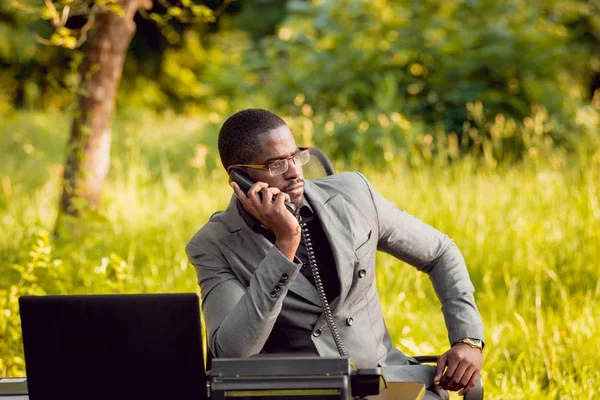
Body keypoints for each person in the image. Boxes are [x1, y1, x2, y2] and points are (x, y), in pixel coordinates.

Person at [186, 109, 484, 399]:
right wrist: (285, 245)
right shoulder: (214, 245)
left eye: (296, 157)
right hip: (302, 393)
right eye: (276, 165)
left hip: (390, 385)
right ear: (240, 177)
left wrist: (467, 339)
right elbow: (233, 351)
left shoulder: (353, 194)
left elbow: (440, 252)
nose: (295, 173)